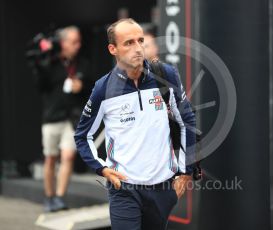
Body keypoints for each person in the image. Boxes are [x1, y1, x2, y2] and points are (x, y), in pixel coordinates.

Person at [74, 18, 196, 229]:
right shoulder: (103, 88)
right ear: (113, 49)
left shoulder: (165, 75)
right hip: (124, 189)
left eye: (140, 41)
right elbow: (83, 136)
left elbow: (186, 121)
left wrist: (186, 172)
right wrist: (101, 168)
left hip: (163, 188)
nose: (138, 48)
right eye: (129, 43)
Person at [31, 26, 91, 212]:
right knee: (50, 158)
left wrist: (81, 86)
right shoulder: (50, 63)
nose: (77, 45)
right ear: (63, 43)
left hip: (72, 118)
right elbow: (40, 85)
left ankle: (59, 197)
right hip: (52, 117)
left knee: (68, 156)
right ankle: (49, 196)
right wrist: (42, 62)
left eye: (79, 41)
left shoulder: (82, 63)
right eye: (73, 41)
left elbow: (92, 86)